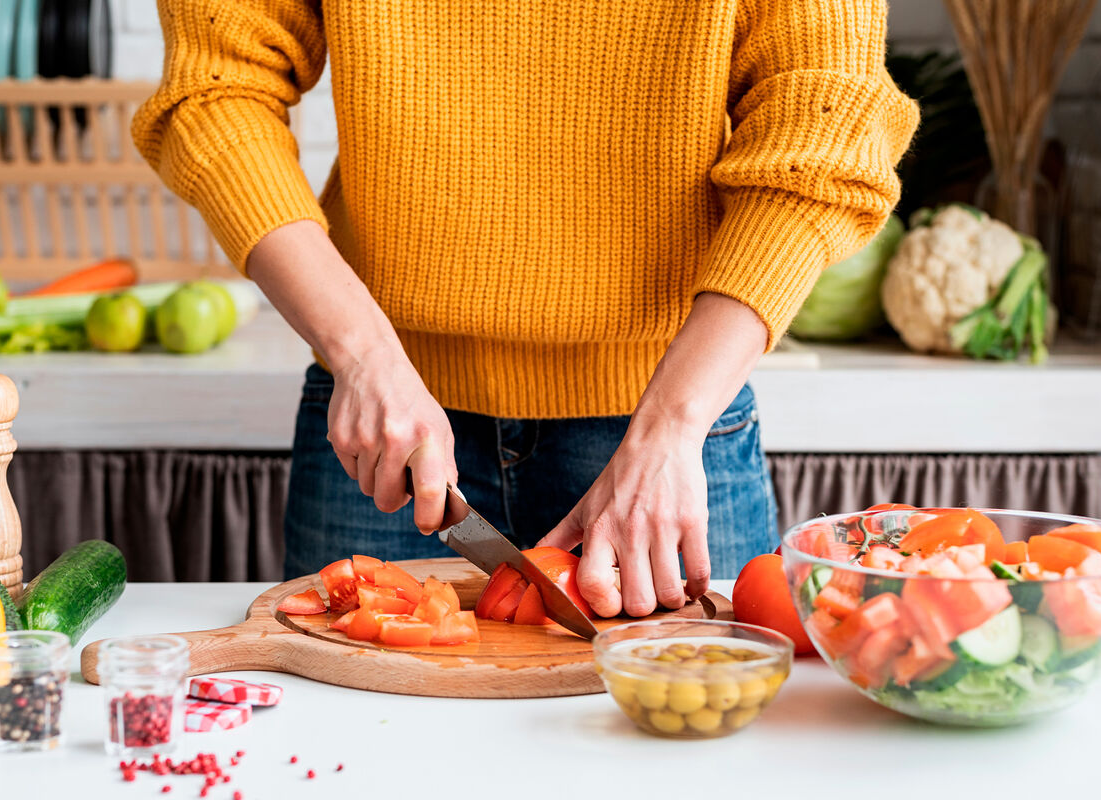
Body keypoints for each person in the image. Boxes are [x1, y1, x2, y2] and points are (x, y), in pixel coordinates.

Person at [135, 0, 917, 618]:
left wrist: (673, 424)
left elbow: (827, 134)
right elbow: (217, 89)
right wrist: (362, 352)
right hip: (388, 425)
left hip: (665, 434)